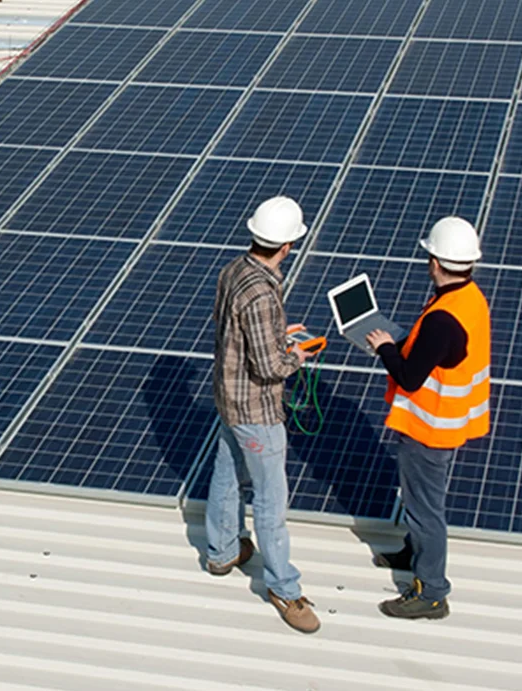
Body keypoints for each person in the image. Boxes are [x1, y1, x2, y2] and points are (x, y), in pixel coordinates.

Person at [205, 195, 320, 634]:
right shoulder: (261, 295)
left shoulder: (233, 270)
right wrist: (298, 354)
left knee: (227, 473)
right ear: (288, 245)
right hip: (256, 410)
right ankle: (284, 589)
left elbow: (231, 328)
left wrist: (277, 336)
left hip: (227, 397)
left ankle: (221, 552)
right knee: (271, 500)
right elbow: (269, 367)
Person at [366, 216, 491, 620]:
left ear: (435, 261)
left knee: (425, 509)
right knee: (420, 503)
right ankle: (413, 553)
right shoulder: (469, 298)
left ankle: (432, 591)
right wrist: (403, 342)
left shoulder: (443, 317)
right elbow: (439, 354)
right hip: (447, 422)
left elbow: (409, 376)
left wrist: (385, 347)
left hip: (429, 428)